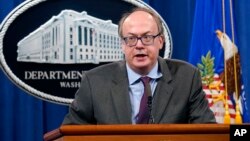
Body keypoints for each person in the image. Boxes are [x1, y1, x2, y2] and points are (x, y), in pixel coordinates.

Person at [62, 7, 216, 124]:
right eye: (131, 38)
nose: (139, 45)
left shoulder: (186, 78)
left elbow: (206, 130)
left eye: (147, 37)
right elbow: (71, 133)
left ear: (160, 41)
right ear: (122, 44)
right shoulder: (94, 82)